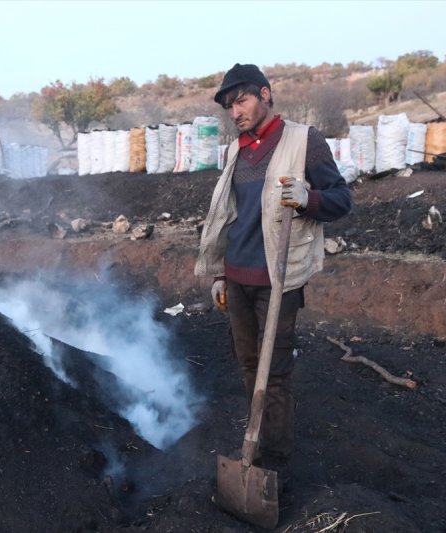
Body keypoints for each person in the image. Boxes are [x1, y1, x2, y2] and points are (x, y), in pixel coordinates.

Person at [195, 63, 352, 469]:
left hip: (278, 279)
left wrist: (309, 198)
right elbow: (227, 215)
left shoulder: (304, 141)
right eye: (229, 106)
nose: (235, 113)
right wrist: (217, 273)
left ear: (265, 94)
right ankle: (256, 439)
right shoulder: (236, 151)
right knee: (249, 364)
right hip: (237, 277)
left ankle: (275, 462)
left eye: (241, 101)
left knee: (275, 369)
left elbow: (341, 200)